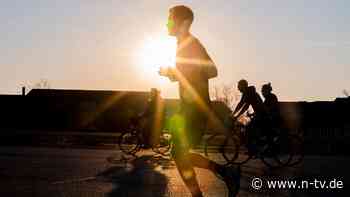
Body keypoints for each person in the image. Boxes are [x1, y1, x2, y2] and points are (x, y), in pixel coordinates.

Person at [159, 5, 240, 197]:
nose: (166, 23)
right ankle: (225, 173)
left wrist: (176, 72)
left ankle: (220, 177)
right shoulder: (183, 44)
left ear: (182, 22)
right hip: (188, 108)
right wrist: (174, 73)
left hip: (195, 108)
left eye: (170, 19)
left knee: (178, 153)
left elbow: (212, 70)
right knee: (179, 153)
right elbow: (191, 73)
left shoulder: (191, 43)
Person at [232, 79, 267, 155]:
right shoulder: (246, 92)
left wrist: (236, 116)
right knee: (248, 129)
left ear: (243, 86)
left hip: (261, 115)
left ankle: (253, 150)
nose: (238, 88)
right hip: (258, 114)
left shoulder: (249, 92)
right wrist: (233, 114)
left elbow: (245, 106)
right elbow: (240, 104)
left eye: (239, 86)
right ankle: (253, 148)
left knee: (248, 129)